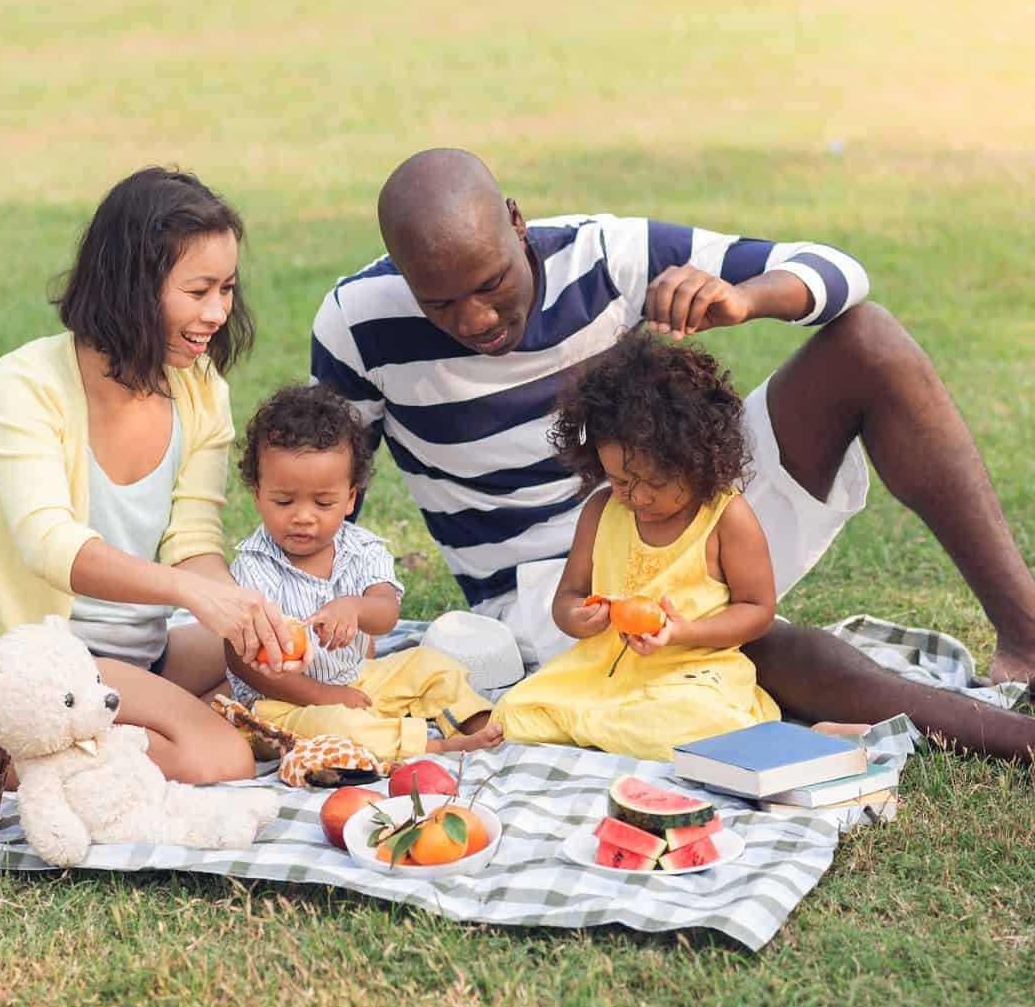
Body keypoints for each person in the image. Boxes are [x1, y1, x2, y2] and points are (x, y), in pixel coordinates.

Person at [311, 147, 1035, 760]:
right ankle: (1013, 737)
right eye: (438, 301)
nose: (474, 319)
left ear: (515, 221)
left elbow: (840, 272)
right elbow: (332, 498)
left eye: (491, 284)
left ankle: (1027, 634)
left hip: (685, 511)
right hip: (553, 602)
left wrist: (745, 297)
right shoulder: (358, 322)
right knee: (761, 658)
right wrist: (317, 644)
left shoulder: (603, 255)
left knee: (868, 339)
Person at [0, 166, 303, 783]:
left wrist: (236, 607)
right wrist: (191, 594)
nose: (218, 311)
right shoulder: (27, 382)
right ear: (131, 287)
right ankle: (9, 753)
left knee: (271, 669)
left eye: (227, 289)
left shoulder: (201, 392)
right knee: (222, 758)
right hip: (42, 657)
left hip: (139, 652)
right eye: (198, 292)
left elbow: (192, 540)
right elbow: (49, 544)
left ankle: (83, 739)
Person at [493, 331, 782, 760]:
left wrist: (683, 632)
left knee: (700, 722)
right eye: (622, 481)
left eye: (657, 483)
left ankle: (600, 730)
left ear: (700, 461)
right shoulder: (601, 511)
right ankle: (607, 727)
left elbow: (758, 610)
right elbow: (567, 598)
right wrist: (578, 617)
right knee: (511, 714)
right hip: (602, 673)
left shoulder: (725, 517)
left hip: (690, 675)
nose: (638, 497)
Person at [220, 383, 503, 761]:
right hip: (284, 705)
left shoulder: (362, 548)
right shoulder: (253, 566)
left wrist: (355, 607)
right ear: (257, 493)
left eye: (324, 502)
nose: (303, 516)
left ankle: (472, 719)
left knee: (430, 663)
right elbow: (241, 661)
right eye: (283, 501)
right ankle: (432, 746)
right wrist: (325, 697)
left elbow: (386, 613)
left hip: (359, 678)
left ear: (351, 497)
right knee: (340, 728)